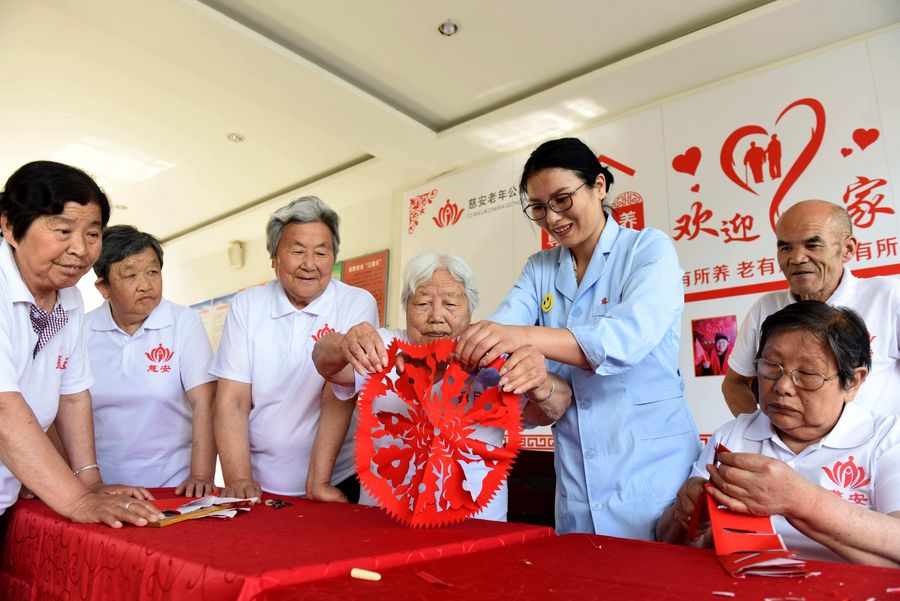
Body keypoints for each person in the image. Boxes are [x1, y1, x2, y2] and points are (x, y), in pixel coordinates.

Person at [456, 137, 699, 539]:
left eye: (562, 199)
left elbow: (623, 340)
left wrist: (518, 337)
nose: (552, 218)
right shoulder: (540, 268)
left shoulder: (647, 249)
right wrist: (482, 348)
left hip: (653, 470)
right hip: (577, 479)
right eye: (538, 207)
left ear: (599, 186)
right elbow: (498, 337)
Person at [312, 252, 571, 520]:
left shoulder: (494, 352)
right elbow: (324, 362)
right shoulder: (385, 346)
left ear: (470, 308)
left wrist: (541, 383)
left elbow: (550, 410)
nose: (436, 316)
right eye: (423, 303)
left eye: (450, 304)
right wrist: (344, 343)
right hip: (383, 521)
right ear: (406, 306)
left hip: (477, 526)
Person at [658, 302, 900, 566]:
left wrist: (797, 499)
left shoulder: (887, 439)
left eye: (807, 373)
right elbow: (673, 542)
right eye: (771, 366)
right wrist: (686, 516)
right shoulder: (732, 436)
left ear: (852, 382)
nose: (782, 386)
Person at [0, 161, 162, 527]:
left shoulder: (69, 298)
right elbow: (3, 410)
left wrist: (90, 483)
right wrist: (78, 501)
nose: (80, 249)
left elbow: (72, 395)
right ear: (10, 227)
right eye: (63, 230)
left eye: (92, 234)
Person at [212, 196, 378, 501]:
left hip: (336, 479)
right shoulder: (247, 305)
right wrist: (239, 479)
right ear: (274, 256)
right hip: (258, 483)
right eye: (297, 251)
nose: (309, 264)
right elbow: (232, 400)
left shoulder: (356, 303)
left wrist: (319, 483)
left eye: (321, 252)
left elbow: (339, 394)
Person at [722, 200, 900, 417]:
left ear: (848, 248)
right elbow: (735, 383)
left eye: (813, 245)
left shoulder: (888, 296)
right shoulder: (766, 307)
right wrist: (759, 431)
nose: (796, 258)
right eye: (785, 247)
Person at [85, 225, 217, 496]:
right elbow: (64, 410)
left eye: (153, 272)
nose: (145, 284)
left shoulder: (183, 322)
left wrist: (201, 475)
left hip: (172, 484)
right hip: (102, 488)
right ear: (103, 287)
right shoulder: (81, 331)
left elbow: (206, 402)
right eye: (130, 275)